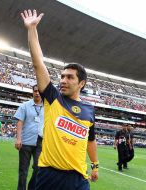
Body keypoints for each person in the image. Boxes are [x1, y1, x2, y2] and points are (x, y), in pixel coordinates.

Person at [21, 10, 99, 190]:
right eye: (62, 76)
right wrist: (32, 29)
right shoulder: (53, 98)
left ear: (81, 83)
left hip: (79, 178)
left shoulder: (89, 110)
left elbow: (90, 140)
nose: (63, 80)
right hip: (49, 175)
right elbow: (38, 63)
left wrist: (95, 165)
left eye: (70, 77)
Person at [14, 85, 44, 190]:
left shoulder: (47, 107)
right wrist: (18, 139)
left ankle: (31, 188)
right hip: (26, 142)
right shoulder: (25, 106)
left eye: (39, 91)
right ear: (32, 92)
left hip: (40, 142)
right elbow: (20, 122)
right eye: (35, 91)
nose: (37, 93)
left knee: (38, 168)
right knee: (23, 170)